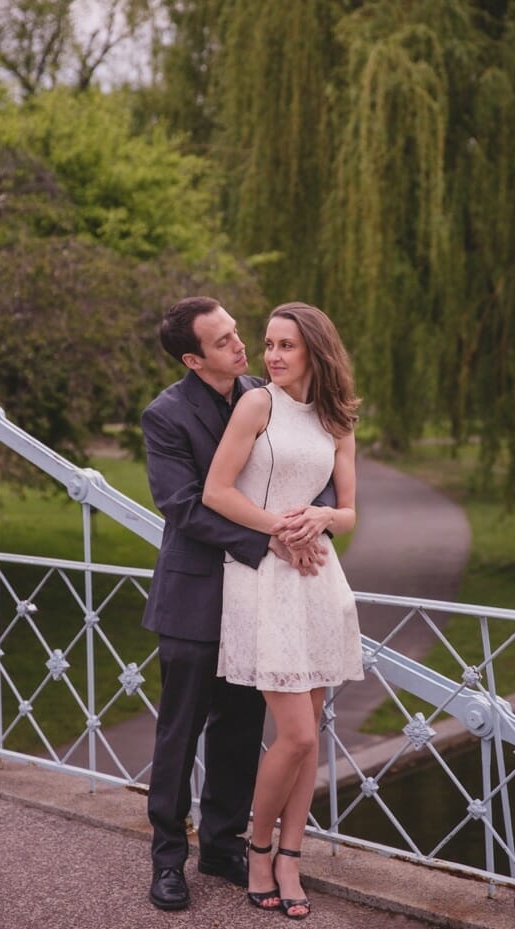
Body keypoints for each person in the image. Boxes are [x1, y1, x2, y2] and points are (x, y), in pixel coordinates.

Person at [140, 296, 333, 912]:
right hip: (197, 594)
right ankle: (168, 860)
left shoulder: (265, 392)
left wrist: (312, 522)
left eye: (235, 332)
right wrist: (271, 539)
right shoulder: (165, 416)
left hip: (262, 598)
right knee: (180, 733)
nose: (241, 345)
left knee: (241, 728)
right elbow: (186, 506)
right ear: (194, 359)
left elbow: (312, 461)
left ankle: (222, 845)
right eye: (222, 342)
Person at [203, 301, 364, 920]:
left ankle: (292, 856)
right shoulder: (256, 405)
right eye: (268, 344)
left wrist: (322, 518)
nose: (270, 356)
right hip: (263, 576)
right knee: (294, 732)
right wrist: (279, 531)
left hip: (318, 578)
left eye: (285, 345)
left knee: (310, 732)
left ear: (315, 350)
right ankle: (259, 848)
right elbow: (216, 491)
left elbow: (348, 512)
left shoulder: (338, 417)